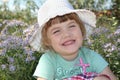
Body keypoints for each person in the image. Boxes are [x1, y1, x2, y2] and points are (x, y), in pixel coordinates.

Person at [29, 0, 117, 80]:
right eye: (56, 31)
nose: (67, 34)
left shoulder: (91, 56)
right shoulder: (48, 60)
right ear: (47, 41)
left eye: (71, 26)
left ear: (81, 30)